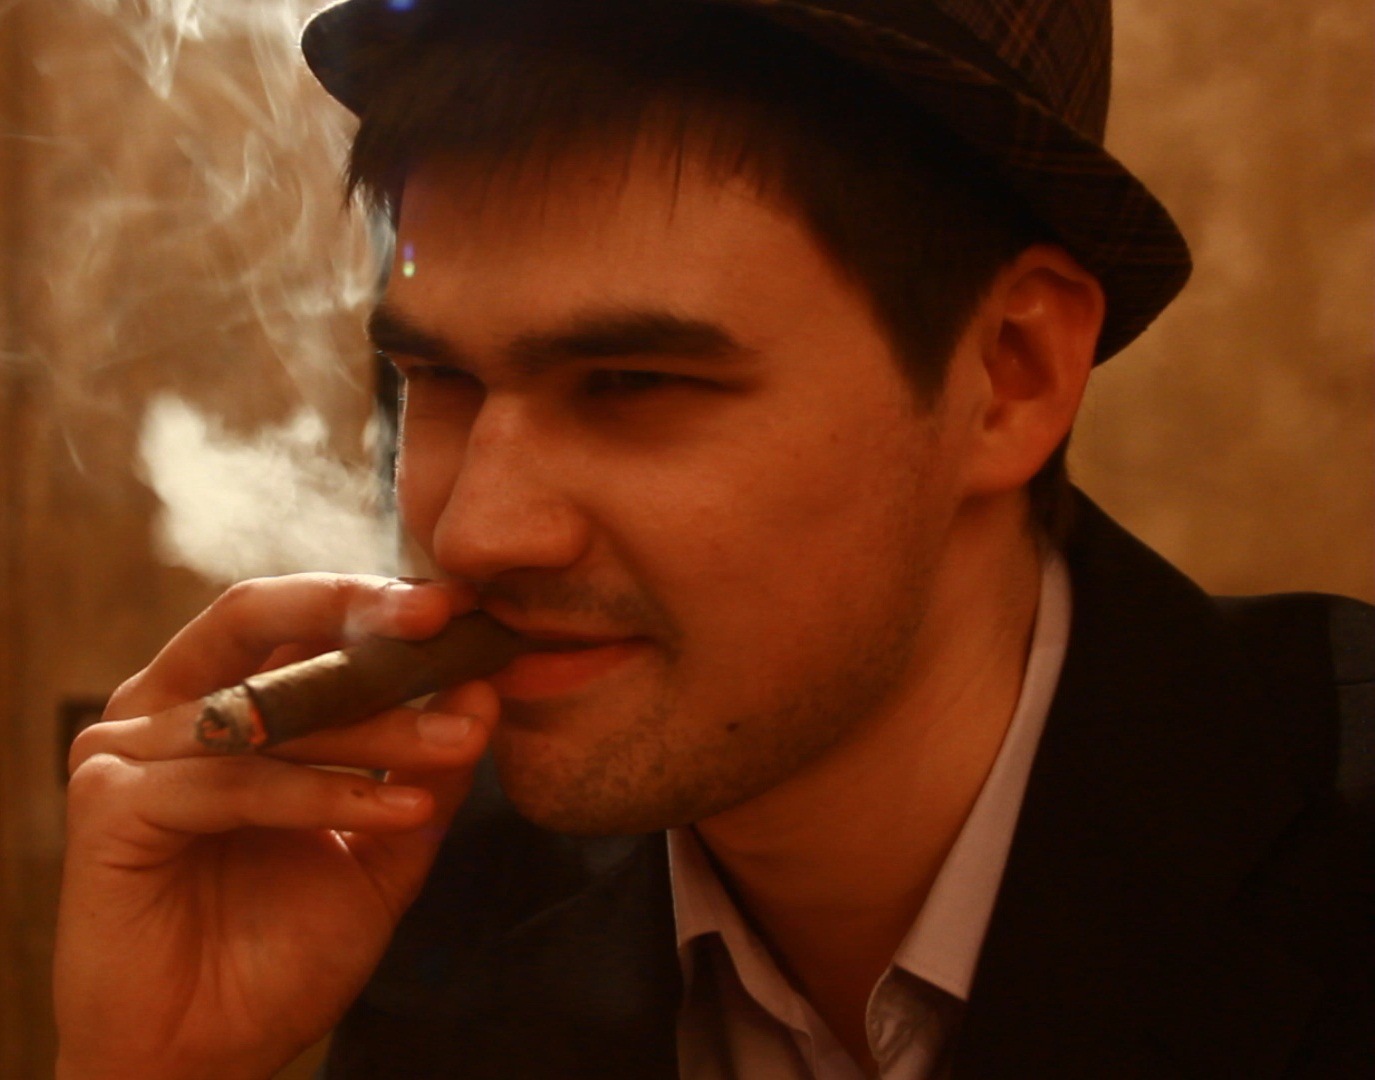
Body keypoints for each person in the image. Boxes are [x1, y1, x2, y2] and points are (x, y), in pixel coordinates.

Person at [54, 1, 1373, 1077]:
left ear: (1009, 373)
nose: (477, 529)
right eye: (437, 381)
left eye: (632, 384)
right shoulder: (413, 885)